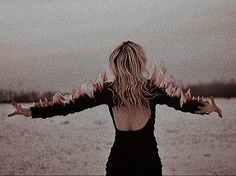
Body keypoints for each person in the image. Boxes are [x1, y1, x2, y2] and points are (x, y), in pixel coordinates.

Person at [8, 40, 222, 176]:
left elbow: (67, 106)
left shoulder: (108, 91)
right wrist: (207, 108)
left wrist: (31, 111)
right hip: (148, 162)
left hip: (119, 162)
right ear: (140, 62)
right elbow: (182, 104)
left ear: (115, 65)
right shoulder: (152, 90)